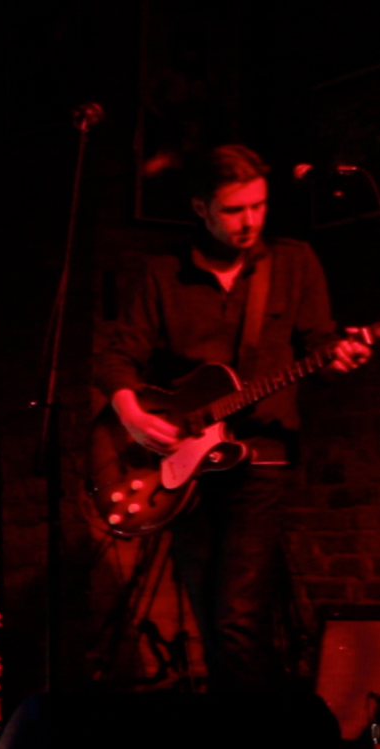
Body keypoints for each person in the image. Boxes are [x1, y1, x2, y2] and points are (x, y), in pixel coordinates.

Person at [95, 144, 371, 692]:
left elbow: (318, 347)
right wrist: (128, 410)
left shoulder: (294, 263)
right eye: (234, 210)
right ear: (201, 208)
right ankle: (237, 744)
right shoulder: (163, 276)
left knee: (238, 617)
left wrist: (341, 359)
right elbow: (116, 354)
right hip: (189, 469)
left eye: (259, 206)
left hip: (261, 458)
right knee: (209, 617)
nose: (250, 222)